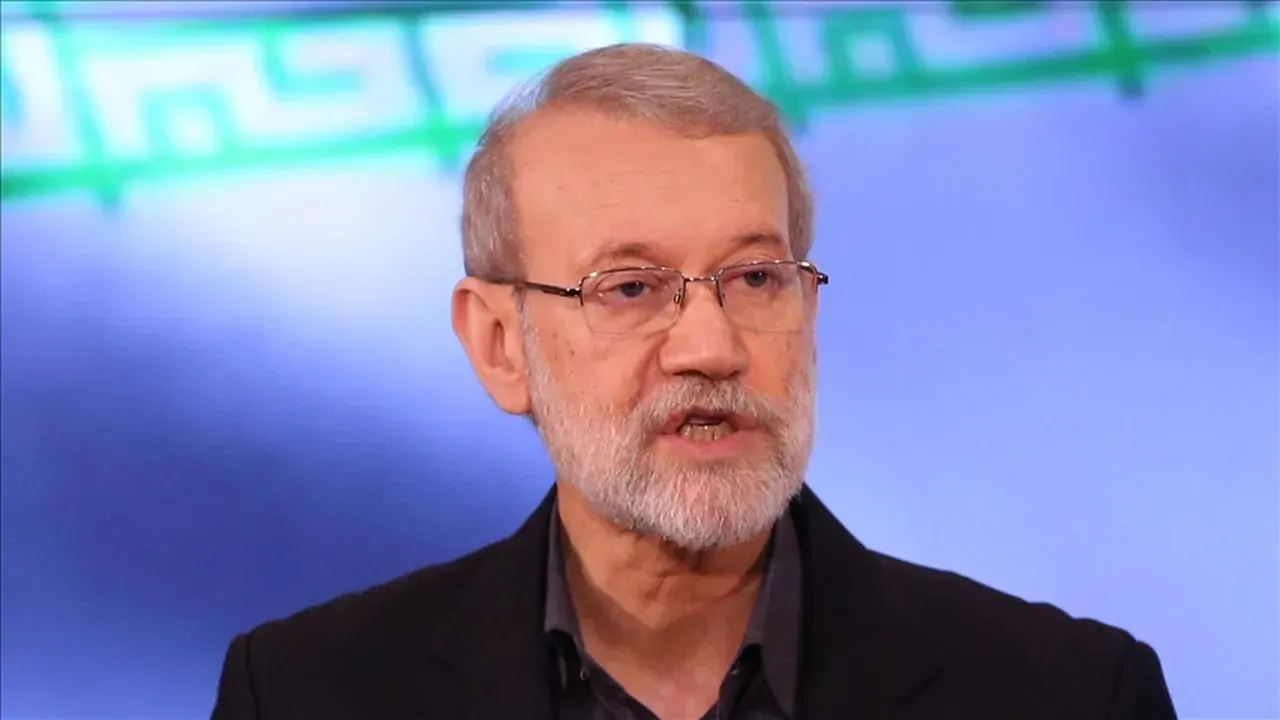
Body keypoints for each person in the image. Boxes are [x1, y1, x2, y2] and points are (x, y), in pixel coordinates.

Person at [211, 43, 1176, 720]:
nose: (711, 347)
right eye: (630, 288)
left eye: (756, 278)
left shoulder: (1068, 694)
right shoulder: (305, 694)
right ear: (501, 344)